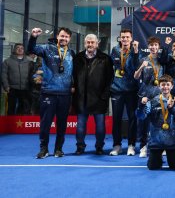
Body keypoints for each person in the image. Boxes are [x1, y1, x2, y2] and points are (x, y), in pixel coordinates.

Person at [28, 27, 74, 159]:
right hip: (48, 92)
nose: (64, 38)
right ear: (57, 36)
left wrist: (74, 85)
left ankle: (59, 149)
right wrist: (33, 37)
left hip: (65, 94)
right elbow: (31, 49)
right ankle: (44, 149)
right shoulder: (47, 48)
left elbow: (74, 72)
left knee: (62, 123)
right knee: (45, 123)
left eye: (66, 37)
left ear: (69, 39)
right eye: (62, 36)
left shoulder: (71, 52)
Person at [72, 34, 114, 155]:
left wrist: (105, 95)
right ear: (85, 43)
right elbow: (73, 76)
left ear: (97, 43)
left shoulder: (106, 59)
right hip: (81, 98)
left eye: (92, 42)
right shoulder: (78, 57)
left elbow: (110, 78)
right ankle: (80, 147)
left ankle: (99, 147)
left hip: (99, 98)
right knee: (80, 126)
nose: (90, 44)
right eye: (88, 42)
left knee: (100, 126)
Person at [137, 75, 175, 170]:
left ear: (172, 86)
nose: (165, 87)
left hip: (172, 141)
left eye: (167, 84)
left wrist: (172, 108)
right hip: (156, 142)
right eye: (163, 85)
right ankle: (158, 158)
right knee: (152, 167)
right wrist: (141, 105)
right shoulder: (152, 102)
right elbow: (141, 116)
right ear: (159, 86)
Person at [134, 36, 169, 157]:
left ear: (158, 47)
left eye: (155, 45)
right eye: (151, 45)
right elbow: (136, 76)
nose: (153, 47)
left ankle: (161, 145)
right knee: (143, 122)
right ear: (148, 47)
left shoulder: (162, 60)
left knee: (160, 121)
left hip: (159, 95)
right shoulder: (143, 59)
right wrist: (141, 67)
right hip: (145, 95)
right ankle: (143, 146)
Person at [109, 29, 140, 156]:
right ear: (120, 39)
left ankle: (131, 145)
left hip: (132, 90)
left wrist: (136, 53)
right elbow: (111, 68)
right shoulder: (115, 50)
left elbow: (137, 68)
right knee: (116, 118)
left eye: (127, 37)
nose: (125, 39)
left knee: (133, 118)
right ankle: (117, 145)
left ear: (131, 39)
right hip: (117, 90)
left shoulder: (135, 51)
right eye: (123, 37)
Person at [2, 43, 34, 115]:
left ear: (24, 50)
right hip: (12, 88)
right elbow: (4, 75)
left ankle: (20, 125)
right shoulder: (7, 61)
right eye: (18, 48)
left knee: (23, 108)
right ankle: (10, 124)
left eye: (21, 48)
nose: (20, 49)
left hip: (25, 89)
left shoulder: (29, 61)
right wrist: (6, 86)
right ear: (14, 50)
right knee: (11, 108)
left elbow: (33, 74)